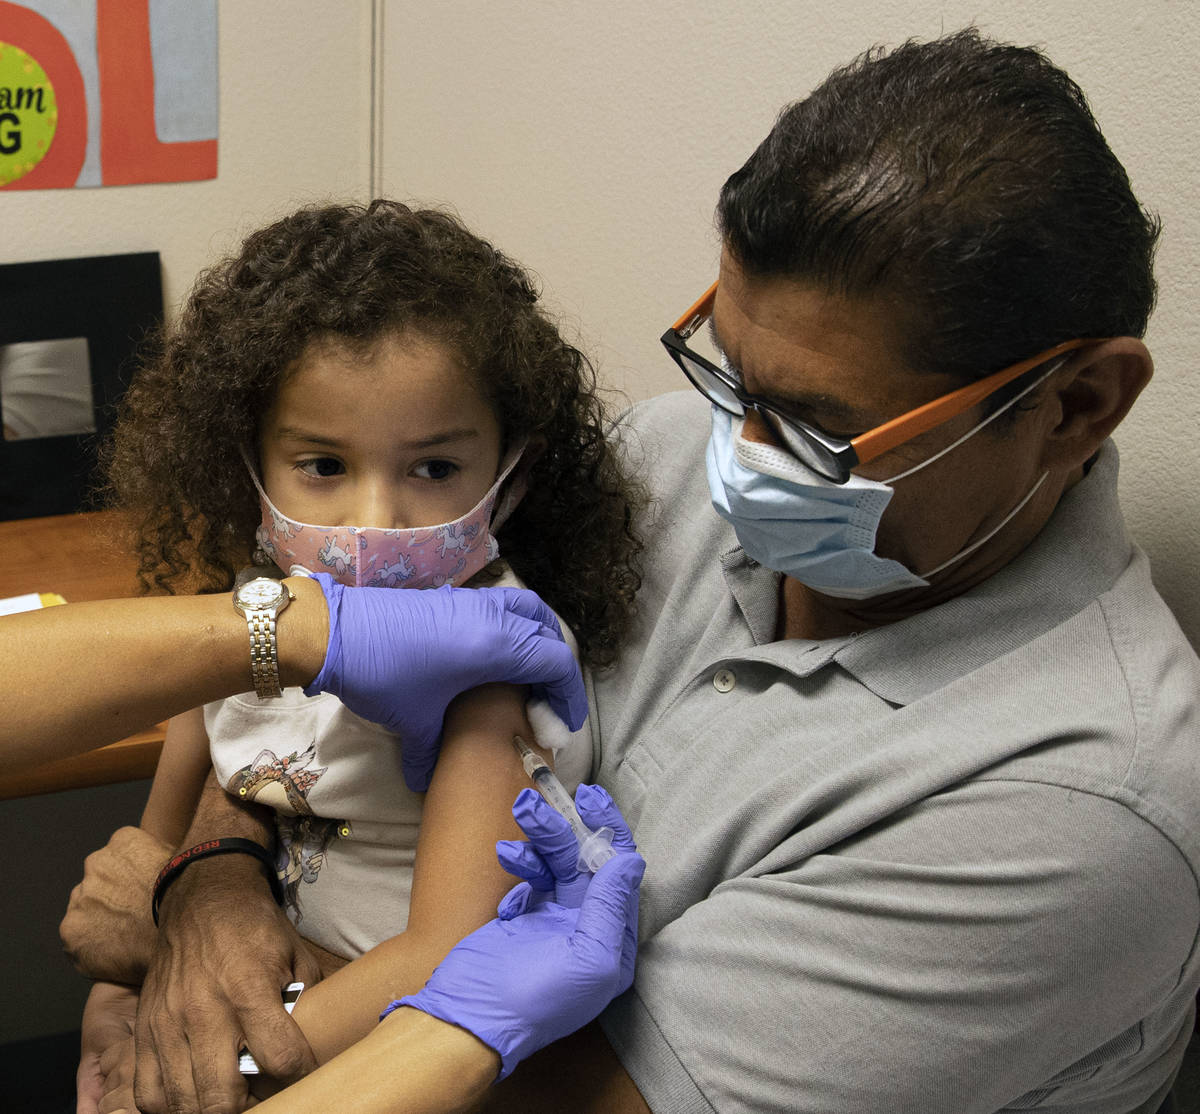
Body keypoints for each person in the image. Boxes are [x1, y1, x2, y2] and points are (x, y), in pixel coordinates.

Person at [70, 27, 1200, 1114]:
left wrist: (200, 975)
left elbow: (511, 1093)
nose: (745, 458)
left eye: (814, 427)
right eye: (731, 376)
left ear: (1078, 404)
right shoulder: (664, 464)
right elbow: (311, 688)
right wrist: (211, 876)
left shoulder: (1073, 813)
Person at [56, 199, 645, 1109]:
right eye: (323, 466)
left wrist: (220, 1069)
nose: (375, 521)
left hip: (382, 1056)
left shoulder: (493, 657)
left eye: (435, 469)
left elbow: (443, 954)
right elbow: (156, 853)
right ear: (246, 466)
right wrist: (115, 1015)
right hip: (248, 1014)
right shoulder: (246, 622)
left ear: (511, 476)